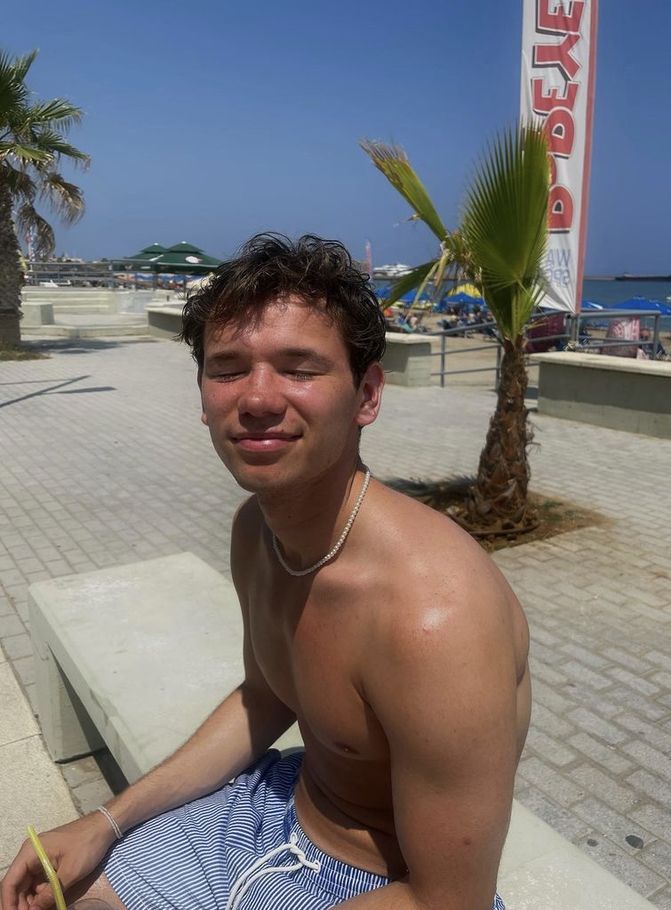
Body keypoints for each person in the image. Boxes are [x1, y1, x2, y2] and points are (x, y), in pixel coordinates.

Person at [1, 234, 530, 910]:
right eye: (228, 368)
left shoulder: (435, 616)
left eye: (298, 367)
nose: (256, 397)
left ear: (367, 394)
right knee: (53, 893)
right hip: (269, 807)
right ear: (202, 398)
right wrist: (104, 821)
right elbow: (264, 697)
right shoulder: (257, 532)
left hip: (380, 886)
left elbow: (448, 899)